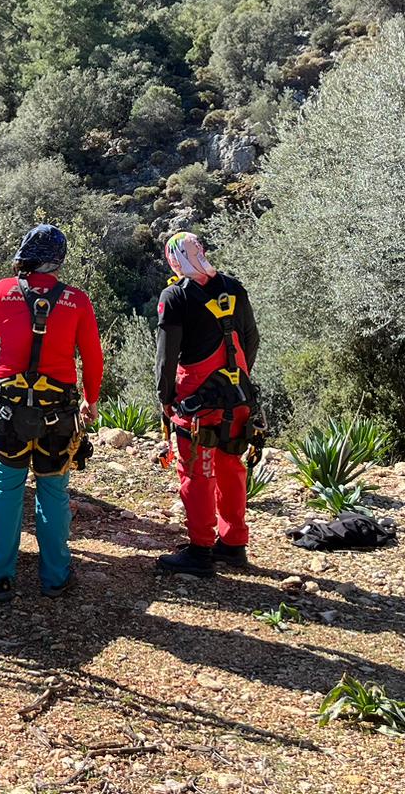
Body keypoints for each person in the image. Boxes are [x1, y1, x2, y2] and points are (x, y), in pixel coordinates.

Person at [0, 224, 103, 599]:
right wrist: (90, 400)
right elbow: (93, 359)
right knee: (53, 489)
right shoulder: (77, 300)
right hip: (58, 412)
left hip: (10, 409)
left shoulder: (2, 291)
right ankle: (56, 576)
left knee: (7, 489)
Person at [154, 231, 260, 576]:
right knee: (231, 466)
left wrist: (165, 398)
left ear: (173, 260)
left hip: (196, 400)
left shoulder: (175, 297)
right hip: (237, 394)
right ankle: (233, 544)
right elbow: (250, 339)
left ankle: (200, 550)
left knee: (197, 473)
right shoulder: (233, 287)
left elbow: (167, 355)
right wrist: (236, 379)